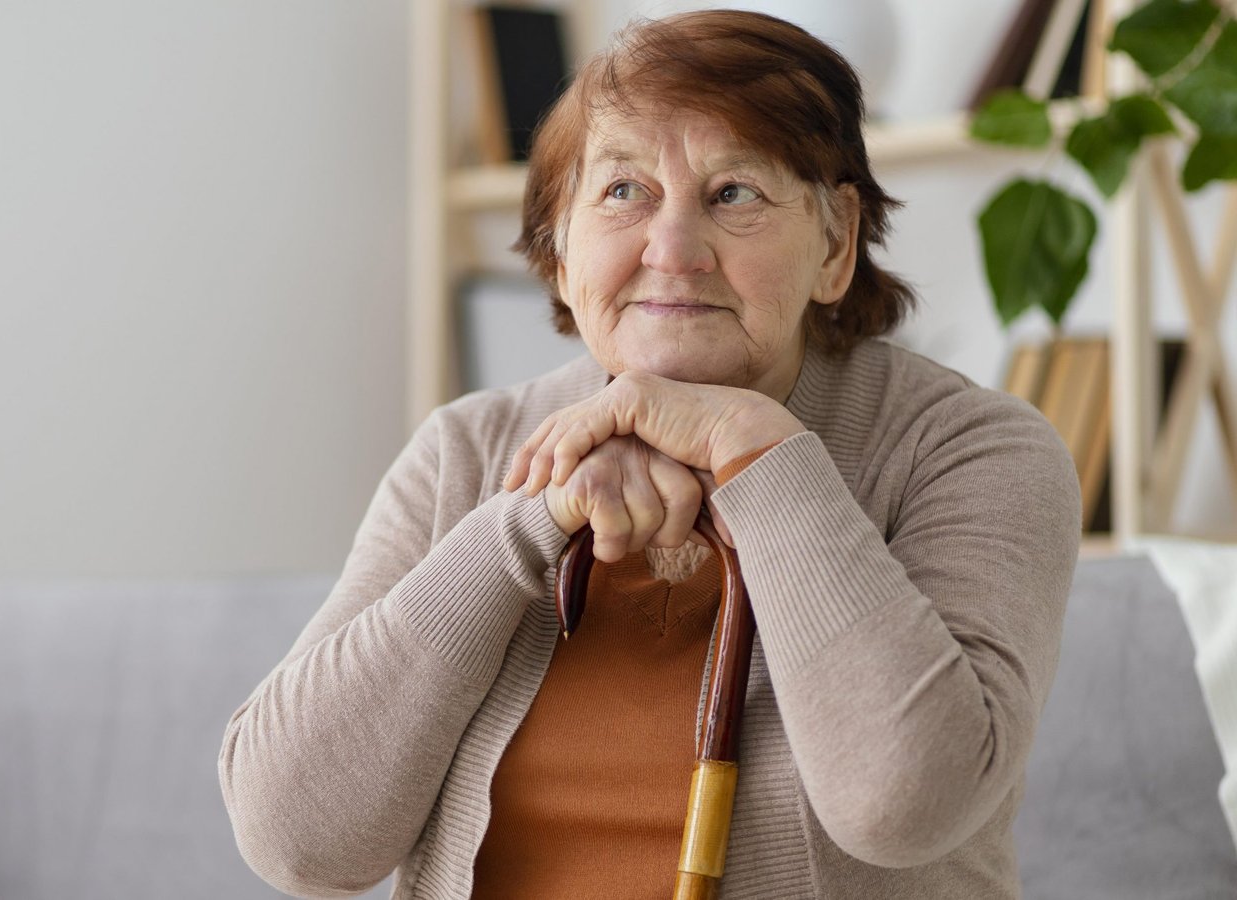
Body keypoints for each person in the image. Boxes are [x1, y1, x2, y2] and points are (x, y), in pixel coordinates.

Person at [219, 10, 1081, 899]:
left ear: (833, 243)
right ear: (559, 250)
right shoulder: (464, 451)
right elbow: (297, 843)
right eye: (623, 191)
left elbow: (903, 806)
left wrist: (757, 453)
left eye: (734, 193)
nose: (673, 251)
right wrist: (526, 520)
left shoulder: (973, 450)